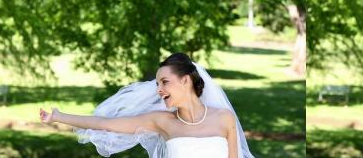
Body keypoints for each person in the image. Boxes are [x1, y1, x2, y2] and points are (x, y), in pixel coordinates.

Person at [40, 53, 253, 158]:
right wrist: (58, 116)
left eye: (165, 82)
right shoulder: (161, 121)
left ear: (186, 80)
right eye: (157, 83)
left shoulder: (225, 118)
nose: (158, 89)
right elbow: (105, 123)